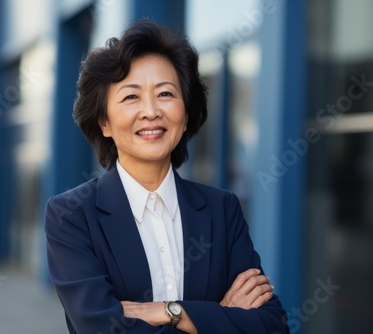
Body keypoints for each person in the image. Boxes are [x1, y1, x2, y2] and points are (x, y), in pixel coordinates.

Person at [44, 18, 289, 334]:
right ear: (104, 122)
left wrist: (168, 312)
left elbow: (272, 324)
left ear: (185, 116)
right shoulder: (72, 215)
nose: (151, 111)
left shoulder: (222, 209)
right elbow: (103, 329)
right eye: (131, 97)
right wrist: (217, 317)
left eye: (165, 94)